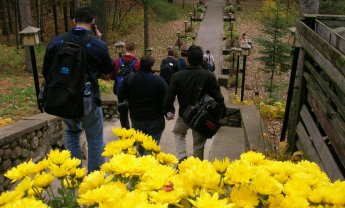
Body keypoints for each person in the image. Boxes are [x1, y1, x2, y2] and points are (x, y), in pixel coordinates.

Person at [42, 6, 113, 172]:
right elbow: (107, 69)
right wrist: (100, 41)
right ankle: (94, 179)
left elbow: (46, 71)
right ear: (93, 22)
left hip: (64, 99)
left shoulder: (57, 41)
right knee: (95, 138)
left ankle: (75, 174)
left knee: (72, 133)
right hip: (88, 100)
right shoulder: (96, 44)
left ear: (74, 21)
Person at [163, 45, 226, 161]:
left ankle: (182, 157)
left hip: (184, 114)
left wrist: (168, 110)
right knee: (198, 144)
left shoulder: (177, 76)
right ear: (201, 59)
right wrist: (222, 114)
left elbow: (169, 96)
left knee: (179, 134)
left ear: (187, 59)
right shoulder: (208, 76)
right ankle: (196, 166)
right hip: (202, 115)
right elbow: (218, 97)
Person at [117, 55, 168, 145]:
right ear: (152, 66)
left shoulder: (130, 78)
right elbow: (167, 98)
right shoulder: (159, 81)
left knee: (139, 145)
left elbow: (120, 95)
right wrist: (167, 111)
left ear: (140, 64)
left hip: (137, 117)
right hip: (155, 118)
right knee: (152, 146)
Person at [109, 41, 140, 129]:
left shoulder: (117, 61)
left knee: (123, 114)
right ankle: (135, 132)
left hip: (120, 91)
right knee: (134, 113)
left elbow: (111, 76)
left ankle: (125, 133)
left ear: (125, 50)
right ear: (134, 51)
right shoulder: (137, 63)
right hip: (133, 92)